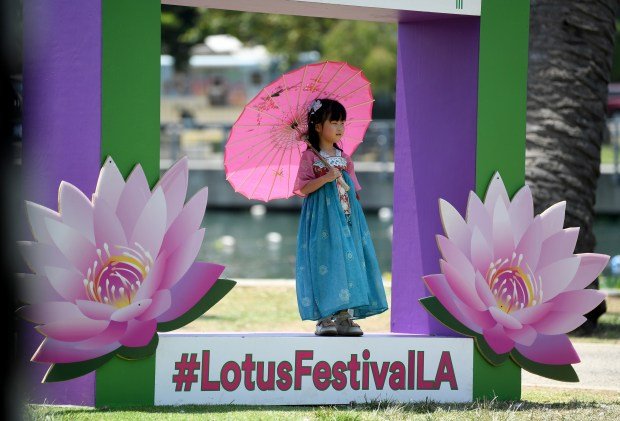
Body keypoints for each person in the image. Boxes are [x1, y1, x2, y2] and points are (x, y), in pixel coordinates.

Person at [294, 98, 388, 336]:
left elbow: (352, 188)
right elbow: (303, 188)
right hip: (322, 219)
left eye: (342, 123)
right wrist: (325, 177)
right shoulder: (310, 158)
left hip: (346, 217)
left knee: (348, 259)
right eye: (333, 122)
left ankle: (344, 315)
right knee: (325, 260)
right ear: (317, 126)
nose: (339, 128)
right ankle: (325, 316)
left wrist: (352, 204)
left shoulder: (344, 158)